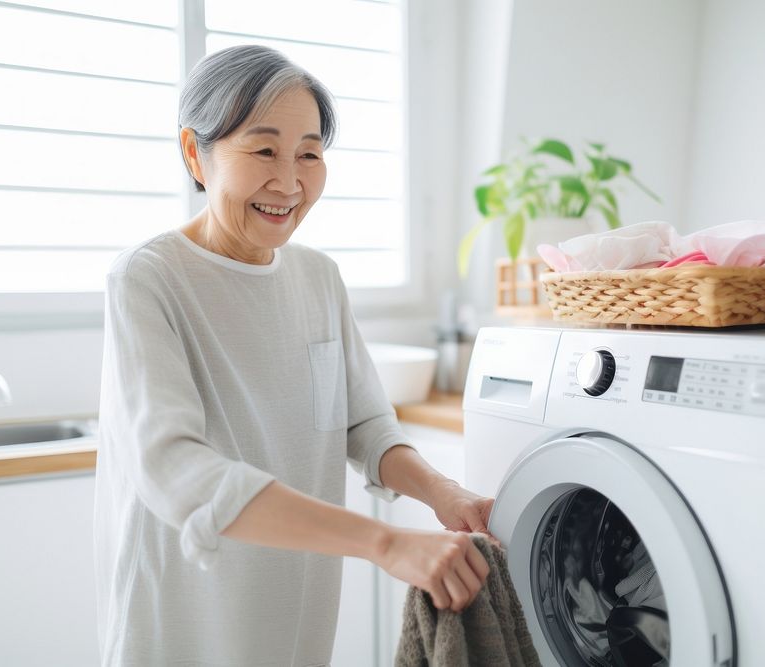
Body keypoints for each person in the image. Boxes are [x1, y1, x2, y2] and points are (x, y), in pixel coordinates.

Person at [93, 44, 497, 665]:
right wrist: (385, 544)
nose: (289, 181)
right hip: (188, 619)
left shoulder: (316, 277)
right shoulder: (149, 279)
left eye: (309, 153)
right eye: (263, 151)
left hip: (297, 608)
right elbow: (174, 469)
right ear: (194, 153)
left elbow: (365, 424)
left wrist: (445, 494)